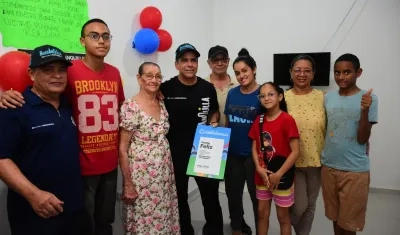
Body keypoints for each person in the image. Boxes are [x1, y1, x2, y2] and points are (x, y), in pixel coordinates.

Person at [0, 18, 125, 235]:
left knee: (101, 224)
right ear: (82, 41)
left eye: (106, 36)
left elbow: (122, 107)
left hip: (94, 176)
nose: (57, 75)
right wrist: (4, 95)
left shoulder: (68, 102)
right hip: (66, 181)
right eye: (94, 35)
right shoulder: (20, 106)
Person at [0, 45, 83, 235]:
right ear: (31, 74)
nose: (57, 75)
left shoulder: (67, 104)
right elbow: (1, 159)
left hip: (72, 211)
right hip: (34, 213)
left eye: (62, 70)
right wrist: (34, 195)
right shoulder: (15, 107)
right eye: (48, 70)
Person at [161, 43, 224, 235]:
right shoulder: (166, 88)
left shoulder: (207, 88)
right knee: (180, 199)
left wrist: (213, 121)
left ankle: (214, 231)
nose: (189, 64)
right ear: (177, 64)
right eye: (185, 60)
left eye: (193, 60)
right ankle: (185, 231)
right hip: (176, 153)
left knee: (211, 198)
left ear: (197, 63)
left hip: (203, 151)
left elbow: (214, 112)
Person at [118, 62, 180, 235]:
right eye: (149, 75)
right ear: (139, 78)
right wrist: (128, 185)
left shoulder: (161, 102)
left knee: (164, 215)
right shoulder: (131, 106)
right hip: (142, 178)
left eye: (158, 76)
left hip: (164, 174)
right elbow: (122, 148)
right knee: (145, 221)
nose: (154, 80)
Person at [321, 53, 378, 235]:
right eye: (337, 73)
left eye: (347, 72)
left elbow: (362, 138)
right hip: (328, 167)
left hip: (354, 170)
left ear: (358, 72)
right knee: (336, 218)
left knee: (349, 223)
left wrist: (365, 110)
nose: (341, 77)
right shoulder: (328, 98)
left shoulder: (369, 99)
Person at [248, 82, 300, 235]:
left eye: (270, 94)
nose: (266, 98)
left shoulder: (287, 120)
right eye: (262, 96)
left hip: (281, 177)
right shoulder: (259, 120)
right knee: (262, 213)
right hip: (262, 176)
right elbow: (254, 145)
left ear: (280, 96)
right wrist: (258, 168)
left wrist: (279, 174)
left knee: (283, 217)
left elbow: (296, 152)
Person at [284, 54, 326, 235]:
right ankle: (286, 221)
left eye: (307, 70)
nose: (302, 74)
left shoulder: (322, 97)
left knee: (311, 205)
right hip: (292, 161)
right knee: (299, 206)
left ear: (313, 74)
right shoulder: (282, 98)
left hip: (317, 160)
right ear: (290, 73)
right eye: (297, 70)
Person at [223, 48, 261, 235]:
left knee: (257, 198)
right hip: (233, 155)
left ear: (254, 69)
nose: (241, 76)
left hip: (254, 157)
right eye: (237, 73)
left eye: (245, 71)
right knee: (233, 196)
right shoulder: (232, 93)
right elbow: (228, 121)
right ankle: (237, 228)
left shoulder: (264, 94)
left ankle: (261, 229)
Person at [204, 45, 238, 127]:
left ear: (228, 61)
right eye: (215, 60)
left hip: (235, 136)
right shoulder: (202, 86)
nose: (220, 63)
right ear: (209, 63)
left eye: (223, 59)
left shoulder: (238, 84)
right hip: (210, 136)